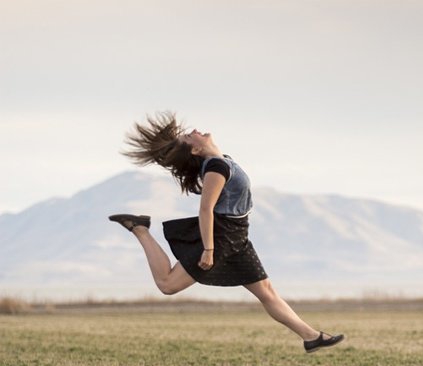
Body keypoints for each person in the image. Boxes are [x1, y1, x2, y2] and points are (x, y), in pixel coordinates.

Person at [109, 111, 344, 353]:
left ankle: (311, 337)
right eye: (189, 137)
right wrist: (209, 249)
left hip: (237, 236)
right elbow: (206, 209)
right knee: (167, 284)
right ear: (195, 149)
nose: (194, 131)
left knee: (266, 291)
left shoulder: (221, 161)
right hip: (222, 237)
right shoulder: (217, 167)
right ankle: (140, 230)